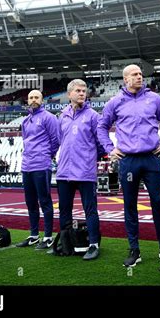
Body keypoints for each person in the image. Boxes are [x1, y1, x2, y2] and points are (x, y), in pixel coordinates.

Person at [97, 64, 160, 267]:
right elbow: (101, 126)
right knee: (130, 205)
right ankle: (134, 249)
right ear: (125, 79)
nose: (140, 77)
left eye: (141, 74)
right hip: (128, 160)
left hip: (151, 158)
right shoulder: (115, 102)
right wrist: (109, 148)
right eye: (135, 74)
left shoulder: (154, 99)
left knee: (158, 202)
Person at [56, 79, 102, 261]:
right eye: (78, 90)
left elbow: (100, 143)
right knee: (64, 210)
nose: (82, 93)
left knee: (90, 209)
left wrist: (88, 158)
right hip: (64, 171)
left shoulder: (93, 116)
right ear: (69, 95)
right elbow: (62, 140)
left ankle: (93, 245)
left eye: (84, 91)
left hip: (85, 171)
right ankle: (65, 243)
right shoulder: (62, 116)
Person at [16, 90, 60, 250]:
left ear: (42, 100)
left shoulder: (49, 117)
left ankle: (48, 236)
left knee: (45, 201)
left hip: (41, 164)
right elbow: (25, 141)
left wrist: (47, 155)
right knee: (30, 202)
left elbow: (56, 140)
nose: (34, 100)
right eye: (31, 97)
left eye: (37, 97)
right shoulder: (26, 121)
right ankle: (34, 235)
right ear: (27, 100)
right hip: (26, 165)